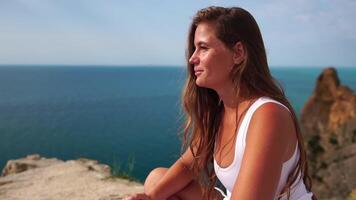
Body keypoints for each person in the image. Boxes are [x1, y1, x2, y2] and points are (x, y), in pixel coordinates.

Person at [124, 6, 316, 200]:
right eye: (194, 49)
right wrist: (151, 198)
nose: (192, 59)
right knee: (157, 179)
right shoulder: (219, 111)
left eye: (203, 48)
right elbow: (188, 165)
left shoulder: (268, 115)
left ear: (238, 53)